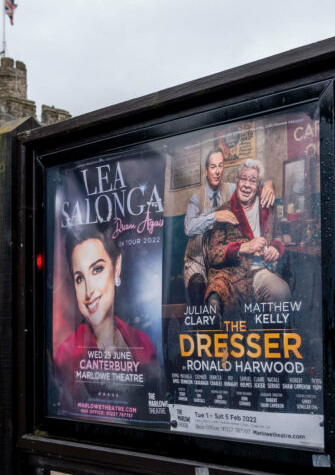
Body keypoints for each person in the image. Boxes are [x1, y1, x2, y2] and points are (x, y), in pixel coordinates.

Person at [51, 224, 162, 419]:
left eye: (97, 269)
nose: (88, 291)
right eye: (79, 278)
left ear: (116, 267)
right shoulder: (66, 355)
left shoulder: (143, 342)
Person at [183, 148, 274, 306]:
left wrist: (269, 184)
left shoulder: (232, 188)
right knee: (197, 288)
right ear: (206, 170)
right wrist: (214, 216)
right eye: (213, 167)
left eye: (220, 166)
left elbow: (251, 185)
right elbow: (188, 228)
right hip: (198, 257)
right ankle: (200, 329)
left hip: (221, 260)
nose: (217, 172)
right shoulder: (196, 198)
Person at [204, 159, 290, 319]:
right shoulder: (225, 210)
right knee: (216, 303)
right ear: (236, 181)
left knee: (280, 291)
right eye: (243, 179)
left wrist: (275, 248)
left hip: (260, 270)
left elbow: (278, 235)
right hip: (233, 273)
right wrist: (244, 247)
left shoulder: (267, 206)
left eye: (252, 181)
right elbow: (213, 254)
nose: (246, 185)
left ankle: (275, 342)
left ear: (258, 185)